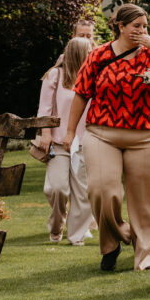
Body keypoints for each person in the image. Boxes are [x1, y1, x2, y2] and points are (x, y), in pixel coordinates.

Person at [64, 4, 150, 271]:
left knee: (144, 200)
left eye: (145, 26)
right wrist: (71, 132)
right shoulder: (98, 55)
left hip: (145, 135)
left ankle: (146, 254)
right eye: (137, 26)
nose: (142, 31)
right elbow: (81, 93)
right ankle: (115, 238)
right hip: (102, 134)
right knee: (102, 191)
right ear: (120, 26)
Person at [36, 37, 94, 245]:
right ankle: (56, 223)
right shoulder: (55, 75)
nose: (92, 54)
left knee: (83, 191)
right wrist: (45, 134)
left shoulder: (94, 75)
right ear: (77, 53)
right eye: (88, 51)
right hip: (59, 142)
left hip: (86, 141)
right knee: (56, 188)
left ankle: (77, 236)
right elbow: (44, 109)